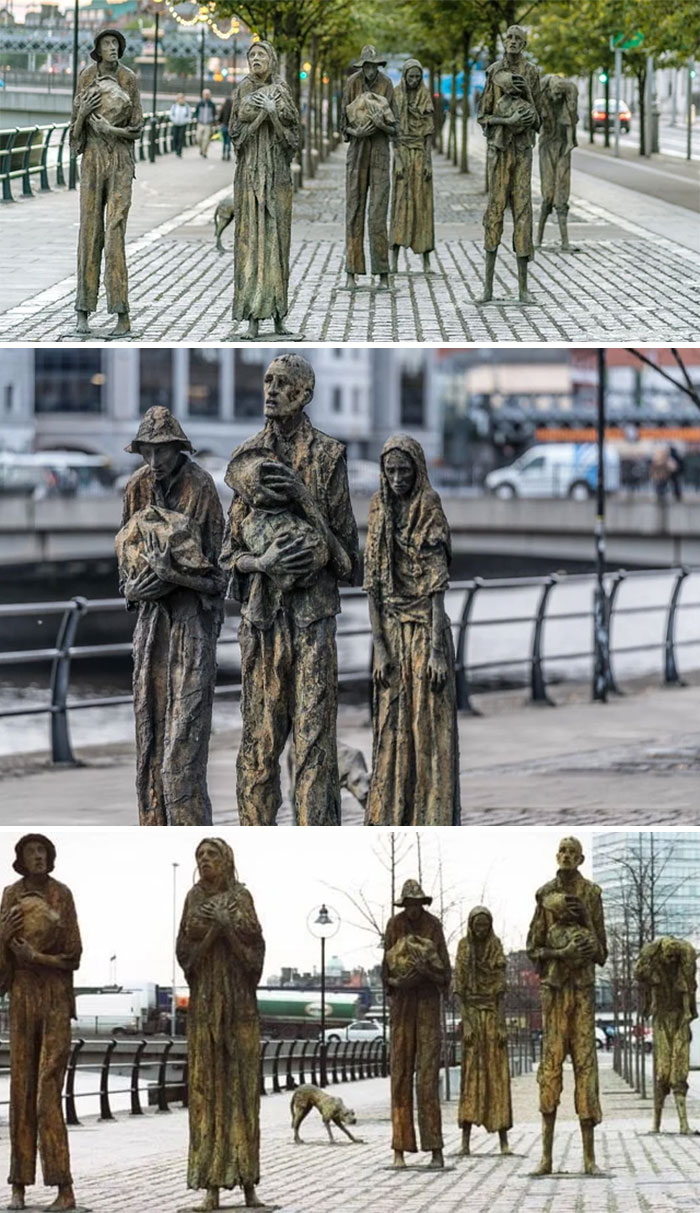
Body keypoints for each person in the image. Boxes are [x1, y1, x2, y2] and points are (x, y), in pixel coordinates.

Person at [221, 354, 359, 826]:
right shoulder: (246, 460)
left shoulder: (328, 456)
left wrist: (303, 497)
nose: (271, 390)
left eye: (283, 384)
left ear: (304, 394)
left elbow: (349, 564)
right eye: (268, 381)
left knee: (314, 749)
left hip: (312, 624)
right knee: (257, 751)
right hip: (261, 625)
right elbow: (226, 557)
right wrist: (260, 562)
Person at [117, 407, 225, 826]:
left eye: (163, 451)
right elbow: (126, 558)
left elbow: (220, 577)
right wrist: (132, 591)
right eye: (148, 451)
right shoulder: (137, 486)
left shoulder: (201, 487)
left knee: (182, 750)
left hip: (192, 626)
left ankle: (188, 827)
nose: (156, 461)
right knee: (149, 744)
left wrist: (175, 575)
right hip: (151, 628)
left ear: (177, 448)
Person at [363, 434, 460, 826]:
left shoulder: (428, 507)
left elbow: (436, 586)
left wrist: (437, 651)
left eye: (405, 470)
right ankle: (391, 814)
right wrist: (380, 649)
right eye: (391, 471)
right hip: (390, 632)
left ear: (418, 470)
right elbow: (373, 585)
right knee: (391, 731)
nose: (398, 477)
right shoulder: (377, 509)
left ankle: (431, 815)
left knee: (428, 732)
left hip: (425, 631)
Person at [177, 838, 266, 1210]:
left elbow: (254, 956)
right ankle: (211, 1185)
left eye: (212, 854)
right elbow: (185, 956)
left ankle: (248, 1183)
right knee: (206, 1093)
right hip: (206, 1008)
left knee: (243, 1094)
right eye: (200, 856)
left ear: (227, 860)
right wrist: (214, 931)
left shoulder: (241, 897)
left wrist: (227, 927)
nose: (205, 860)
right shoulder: (194, 899)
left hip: (239, 1006)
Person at [0, 835, 82, 1212]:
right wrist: (2, 938)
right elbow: (2, 973)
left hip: (53, 998)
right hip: (22, 997)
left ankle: (63, 1188)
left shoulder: (60, 895)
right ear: (20, 858)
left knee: (48, 1091)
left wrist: (37, 957)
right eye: (31, 852)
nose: (38, 856)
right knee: (21, 1089)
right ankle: (18, 1185)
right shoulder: (10, 895)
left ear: (51, 858)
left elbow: (73, 955)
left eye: (43, 852)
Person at [527, 836, 607, 1175]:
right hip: (555, 992)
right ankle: (546, 1157)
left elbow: (602, 953)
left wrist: (587, 925)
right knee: (551, 1068)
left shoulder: (593, 894)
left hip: (584, 993)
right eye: (562, 851)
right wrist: (560, 954)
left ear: (581, 858)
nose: (566, 856)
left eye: (572, 852)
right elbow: (533, 948)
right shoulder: (545, 895)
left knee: (587, 1069)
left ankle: (589, 1159)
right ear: (556, 855)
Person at [69, 28, 143, 337]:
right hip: (92, 162)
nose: (111, 48)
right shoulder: (86, 77)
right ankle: (83, 311)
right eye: (106, 43)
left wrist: (112, 131)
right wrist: (84, 114)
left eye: (115, 43)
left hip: (120, 162)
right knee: (90, 233)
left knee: (114, 235)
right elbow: (74, 139)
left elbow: (137, 128)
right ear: (98, 49)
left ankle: (121, 313)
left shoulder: (129, 80)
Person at [229, 40, 300, 339]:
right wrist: (263, 115)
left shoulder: (283, 90)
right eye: (252, 55)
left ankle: (279, 314)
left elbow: (292, 140)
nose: (256, 59)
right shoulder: (243, 90)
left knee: (278, 243)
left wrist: (275, 114)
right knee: (251, 243)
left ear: (272, 59)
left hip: (278, 175)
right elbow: (237, 137)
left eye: (262, 55)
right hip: (250, 176)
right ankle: (252, 318)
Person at [382, 880, 451, 1168]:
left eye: (416, 904)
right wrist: (398, 981)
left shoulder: (433, 925)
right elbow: (385, 971)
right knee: (400, 1076)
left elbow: (445, 973)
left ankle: (435, 1148)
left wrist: (426, 972)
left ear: (422, 904)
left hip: (427, 1006)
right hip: (402, 1009)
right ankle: (399, 1148)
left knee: (426, 1079)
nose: (412, 909)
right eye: (408, 904)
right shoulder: (394, 925)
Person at [477, 25, 541, 303]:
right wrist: (508, 122)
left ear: (524, 44)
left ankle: (523, 290)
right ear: (504, 42)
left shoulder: (532, 73)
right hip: (500, 151)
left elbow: (539, 120)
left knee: (524, 211)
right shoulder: (493, 72)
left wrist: (527, 98)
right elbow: (483, 117)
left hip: (523, 151)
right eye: (509, 38)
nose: (512, 42)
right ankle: (487, 288)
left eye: (518, 39)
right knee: (495, 210)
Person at [455, 907, 513, 1156]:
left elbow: (500, 991)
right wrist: (466, 1023)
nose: (481, 930)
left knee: (497, 1076)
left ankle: (503, 1141)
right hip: (472, 1018)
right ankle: (465, 1141)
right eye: (477, 925)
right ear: (471, 925)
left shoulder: (496, 946)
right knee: (471, 1077)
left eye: (485, 925)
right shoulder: (463, 947)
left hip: (491, 1017)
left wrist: (501, 1024)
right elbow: (459, 989)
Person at [341, 45, 398, 291]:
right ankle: (352, 272)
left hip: (380, 153)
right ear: (361, 66)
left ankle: (383, 273)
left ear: (379, 66)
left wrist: (380, 125)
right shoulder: (351, 84)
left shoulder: (387, 85)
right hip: (357, 152)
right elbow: (341, 125)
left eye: (374, 66)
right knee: (354, 211)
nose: (370, 70)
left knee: (377, 214)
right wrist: (356, 131)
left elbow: (396, 129)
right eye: (366, 66)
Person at [635, 936, 698, 1133]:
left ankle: (683, 1124)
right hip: (662, 1021)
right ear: (661, 955)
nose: (671, 960)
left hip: (680, 1021)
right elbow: (639, 972)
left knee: (679, 1069)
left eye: (674, 957)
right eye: (668, 957)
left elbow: (689, 991)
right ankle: (656, 1123)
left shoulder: (685, 968)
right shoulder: (653, 968)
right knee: (662, 1072)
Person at [390, 59, 435, 274]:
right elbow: (393, 132)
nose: (414, 81)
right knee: (400, 203)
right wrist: (397, 158)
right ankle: (394, 258)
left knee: (422, 204)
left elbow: (428, 134)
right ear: (404, 76)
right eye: (411, 77)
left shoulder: (425, 96)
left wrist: (428, 161)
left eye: (418, 77)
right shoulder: (396, 95)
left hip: (419, 154)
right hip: (402, 155)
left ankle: (426, 259)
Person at [537, 75, 579, 249]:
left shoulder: (567, 100)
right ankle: (538, 238)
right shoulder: (542, 97)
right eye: (554, 93)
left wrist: (569, 143)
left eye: (559, 94)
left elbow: (569, 122)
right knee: (547, 192)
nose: (556, 98)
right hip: (547, 147)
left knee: (562, 190)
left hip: (562, 148)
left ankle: (565, 241)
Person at [194, 88, 217, 157]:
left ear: (210, 95)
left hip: (208, 124)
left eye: (208, 94)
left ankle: (204, 152)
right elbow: (196, 112)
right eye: (205, 94)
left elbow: (214, 114)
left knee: (206, 139)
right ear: (203, 95)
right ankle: (201, 148)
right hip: (200, 123)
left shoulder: (212, 104)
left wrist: (213, 121)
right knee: (198, 138)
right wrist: (196, 119)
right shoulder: (200, 103)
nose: (206, 96)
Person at [169, 92, 192, 157]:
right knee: (175, 137)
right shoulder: (174, 106)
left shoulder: (186, 106)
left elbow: (189, 115)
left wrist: (185, 121)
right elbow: (171, 114)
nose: (181, 100)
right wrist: (173, 120)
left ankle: (179, 151)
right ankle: (176, 149)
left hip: (183, 124)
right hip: (175, 124)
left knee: (180, 138)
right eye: (179, 98)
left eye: (182, 98)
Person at [218, 91, 233, 160]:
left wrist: (220, 123)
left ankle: (223, 154)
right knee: (228, 141)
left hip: (224, 126)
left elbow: (220, 118)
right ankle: (228, 154)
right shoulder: (232, 110)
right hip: (230, 127)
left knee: (224, 142)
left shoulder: (223, 109)